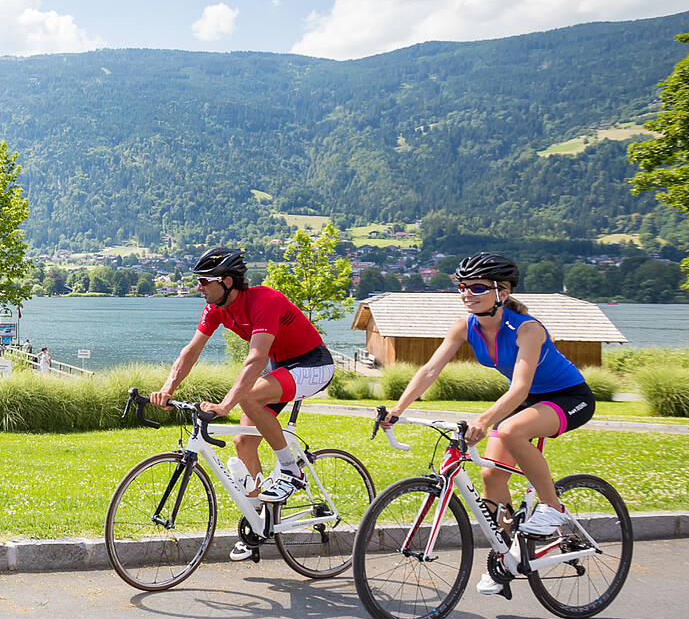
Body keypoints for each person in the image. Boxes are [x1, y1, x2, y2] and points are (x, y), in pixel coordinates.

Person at [382, 252, 593, 597]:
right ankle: (506, 556)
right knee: (491, 474)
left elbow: (520, 387)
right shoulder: (465, 326)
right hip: (527, 401)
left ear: (502, 293)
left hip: (569, 397)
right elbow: (430, 371)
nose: (467, 293)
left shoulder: (527, 329)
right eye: (462, 287)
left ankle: (553, 509)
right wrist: (397, 409)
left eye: (477, 287)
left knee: (510, 430)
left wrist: (484, 420)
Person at [151, 248, 337, 560]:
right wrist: (167, 389)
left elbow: (255, 359)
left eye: (205, 281)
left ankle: (292, 472)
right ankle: (259, 524)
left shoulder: (265, 300)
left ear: (227, 281)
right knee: (243, 443)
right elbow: (191, 351)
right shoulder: (216, 308)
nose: (199, 286)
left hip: (313, 363)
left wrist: (224, 405)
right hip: (281, 368)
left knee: (249, 397)